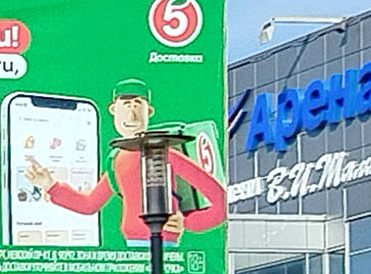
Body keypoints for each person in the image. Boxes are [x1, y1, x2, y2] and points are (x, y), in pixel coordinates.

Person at [24, 79, 226, 243]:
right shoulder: (116, 159)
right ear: (113, 109)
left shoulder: (165, 154)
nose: (131, 114)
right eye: (126, 105)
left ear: (149, 112)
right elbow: (90, 204)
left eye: (138, 105)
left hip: (165, 247)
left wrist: (187, 222)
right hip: (131, 249)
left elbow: (221, 203)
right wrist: (51, 186)